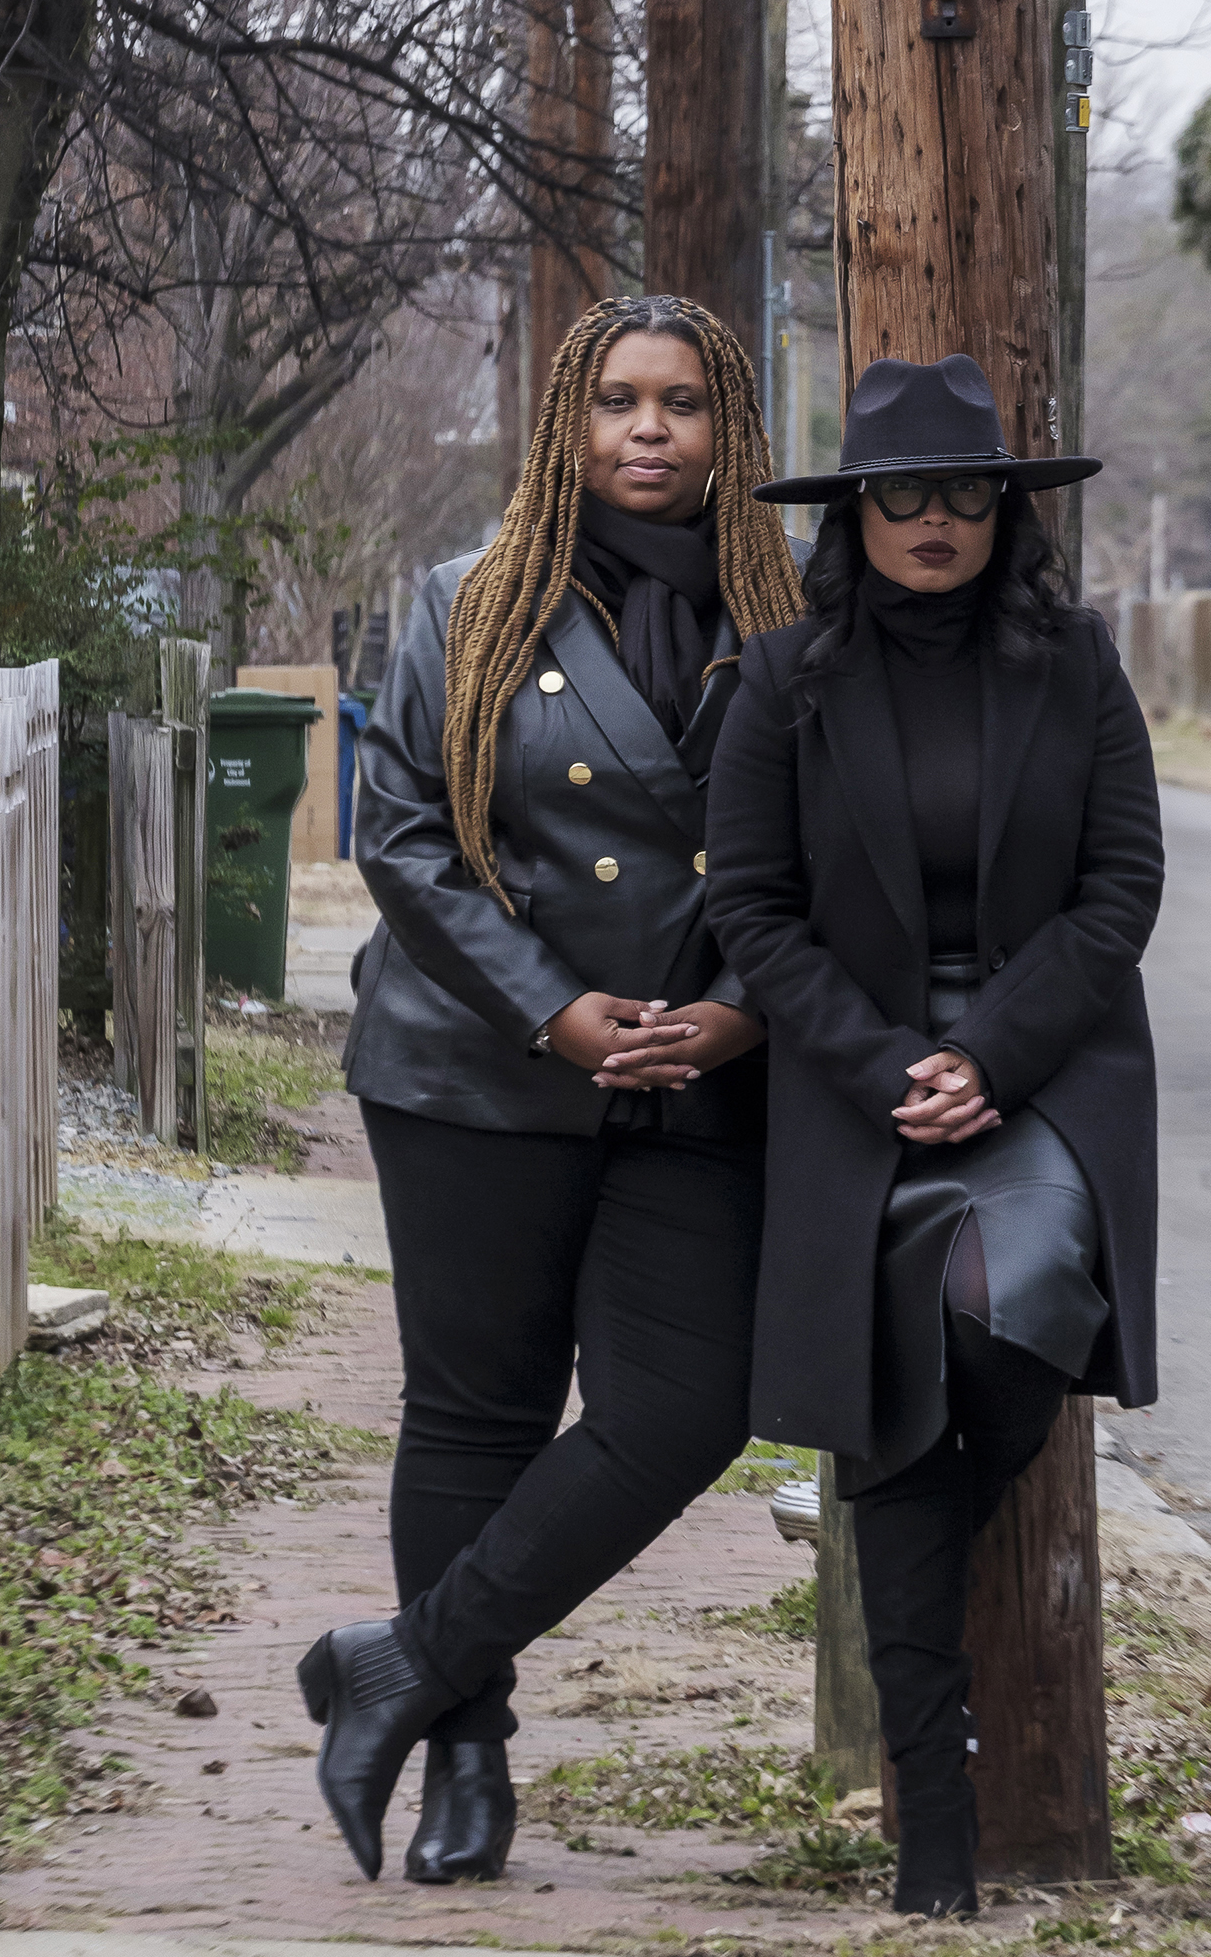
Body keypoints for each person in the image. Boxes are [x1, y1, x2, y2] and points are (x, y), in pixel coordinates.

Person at [644, 351, 1164, 1919]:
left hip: (1044, 1067)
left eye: (966, 493)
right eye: (903, 494)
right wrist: (891, 1067)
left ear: (1006, 512)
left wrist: (989, 1057)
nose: (936, 520)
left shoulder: (1077, 664)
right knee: (903, 1377)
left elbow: (1121, 890)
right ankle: (934, 1807)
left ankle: (886, 1519)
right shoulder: (782, 682)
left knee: (1006, 1315)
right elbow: (754, 911)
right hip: (850, 1082)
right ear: (855, 514)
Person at [300, 294, 805, 1887]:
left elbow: (839, 848)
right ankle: (465, 1756)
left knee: (687, 1406)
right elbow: (402, 835)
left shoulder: (790, 609)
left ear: (729, 427)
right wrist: (554, 1013)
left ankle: (399, 1661)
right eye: (617, 401)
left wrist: (738, 1017)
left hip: (701, 1068)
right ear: (566, 424)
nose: (650, 429)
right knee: (480, 1411)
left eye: (683, 402)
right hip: (479, 1059)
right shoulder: (473, 598)